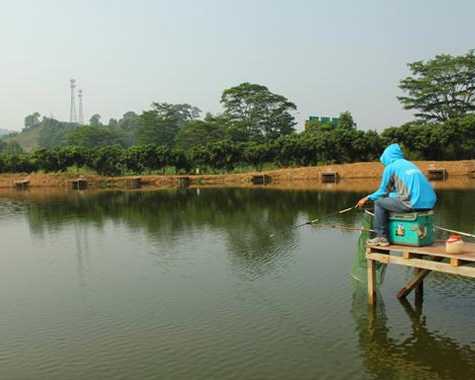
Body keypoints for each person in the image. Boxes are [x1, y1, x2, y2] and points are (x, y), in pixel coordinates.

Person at [356, 143, 437, 247]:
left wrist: (366, 198)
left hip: (413, 202)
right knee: (388, 200)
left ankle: (381, 237)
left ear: (386, 157)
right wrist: (391, 196)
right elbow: (404, 190)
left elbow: (382, 191)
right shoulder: (409, 164)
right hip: (429, 203)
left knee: (379, 202)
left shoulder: (391, 167)